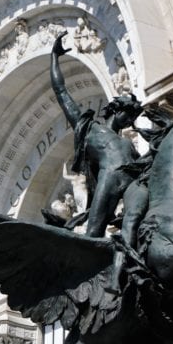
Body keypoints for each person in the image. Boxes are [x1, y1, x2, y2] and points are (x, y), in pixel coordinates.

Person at [50, 34, 143, 238]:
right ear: (117, 110)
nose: (130, 121)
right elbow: (61, 92)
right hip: (108, 181)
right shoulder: (91, 129)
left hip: (129, 184)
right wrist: (54, 58)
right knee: (93, 233)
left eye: (133, 118)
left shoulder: (128, 146)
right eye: (129, 115)